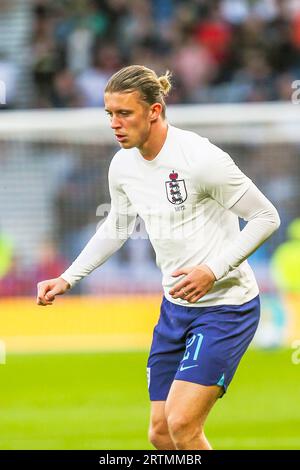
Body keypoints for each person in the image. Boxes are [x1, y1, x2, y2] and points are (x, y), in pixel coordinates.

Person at [37, 65, 280, 450]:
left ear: (154, 110)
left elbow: (267, 217)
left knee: (182, 424)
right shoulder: (123, 165)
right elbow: (116, 227)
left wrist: (212, 270)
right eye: (109, 114)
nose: (115, 124)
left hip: (225, 308)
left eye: (124, 113)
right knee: (161, 433)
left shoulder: (200, 158)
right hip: (174, 308)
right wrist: (68, 277)